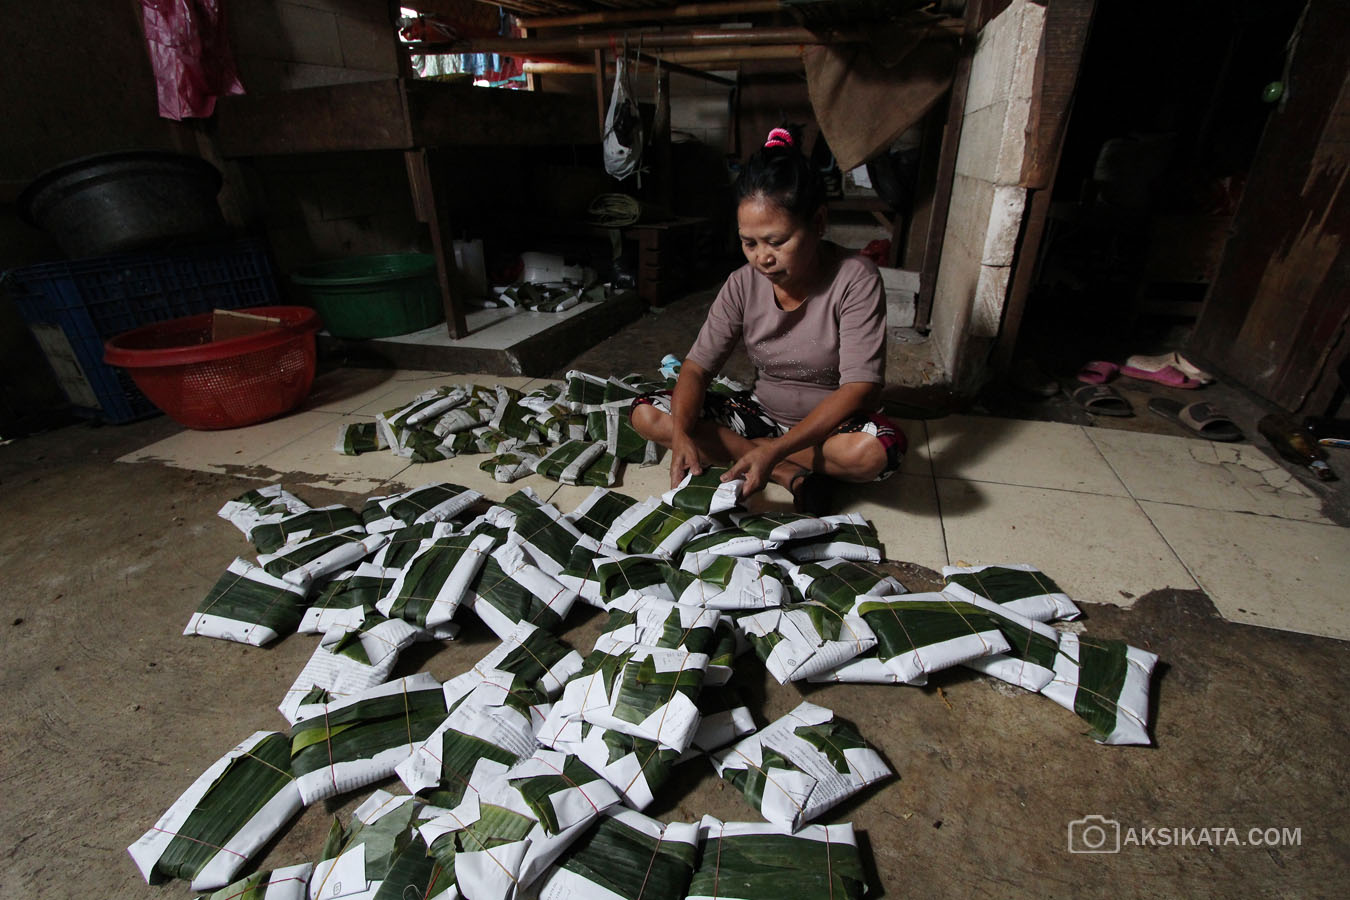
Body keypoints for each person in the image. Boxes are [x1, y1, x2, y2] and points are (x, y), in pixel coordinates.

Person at [629, 125, 906, 514]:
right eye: (750, 243)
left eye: (778, 241)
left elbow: (860, 388)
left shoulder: (855, 277)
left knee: (875, 452)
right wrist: (681, 436)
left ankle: (765, 456)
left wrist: (777, 448)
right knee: (647, 411)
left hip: (826, 429)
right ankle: (788, 475)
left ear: (820, 222)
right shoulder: (742, 283)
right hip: (761, 414)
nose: (763, 257)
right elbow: (695, 369)